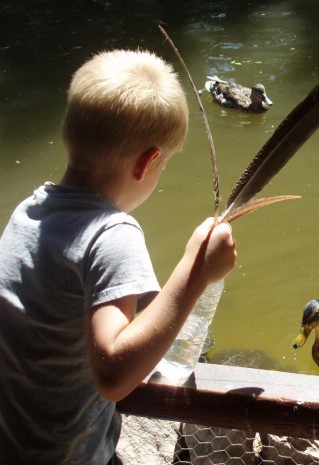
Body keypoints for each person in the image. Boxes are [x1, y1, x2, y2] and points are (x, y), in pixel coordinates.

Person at [0, 49, 237, 465]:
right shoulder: (113, 234)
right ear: (147, 163)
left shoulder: (27, 214)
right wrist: (195, 272)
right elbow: (112, 375)